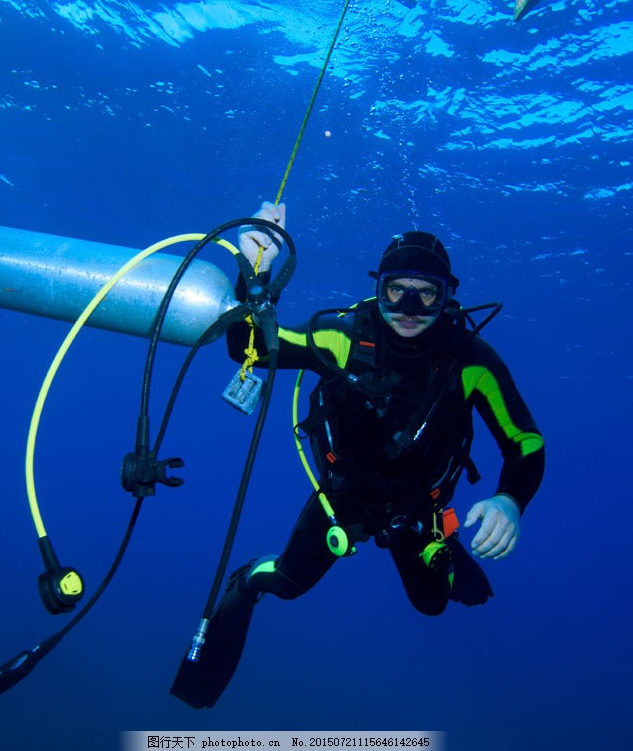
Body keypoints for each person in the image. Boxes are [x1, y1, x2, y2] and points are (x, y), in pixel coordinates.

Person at [172, 202, 545, 708]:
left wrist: (509, 501)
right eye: (397, 289)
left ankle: (443, 549)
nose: (408, 308)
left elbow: (525, 444)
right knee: (284, 583)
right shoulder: (343, 336)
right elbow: (249, 346)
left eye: (426, 294)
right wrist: (256, 269)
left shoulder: (471, 363)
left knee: (431, 606)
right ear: (378, 287)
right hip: (340, 501)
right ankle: (246, 579)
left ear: (446, 298)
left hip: (419, 512)